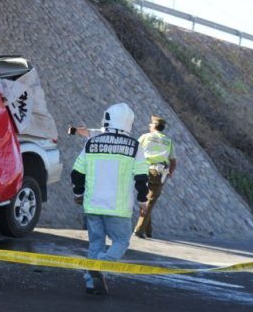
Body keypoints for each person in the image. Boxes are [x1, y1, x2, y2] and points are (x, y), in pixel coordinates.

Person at [71, 103, 148, 295]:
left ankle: (90, 282)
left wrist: (78, 194)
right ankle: (100, 265)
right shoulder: (134, 146)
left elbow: (77, 172)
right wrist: (143, 201)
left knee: (95, 244)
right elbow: (141, 178)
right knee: (121, 241)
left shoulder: (92, 142)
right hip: (118, 208)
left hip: (93, 205)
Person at [133, 115, 177, 239]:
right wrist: (170, 172)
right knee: (150, 201)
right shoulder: (168, 141)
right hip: (158, 173)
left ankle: (148, 231)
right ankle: (138, 230)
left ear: (154, 126)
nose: (149, 126)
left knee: (145, 200)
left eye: (150, 124)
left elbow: (134, 152)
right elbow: (173, 162)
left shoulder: (145, 137)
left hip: (142, 170)